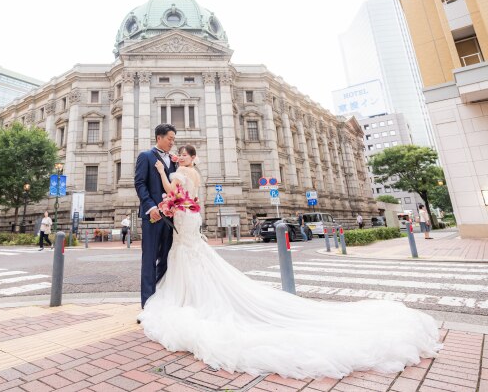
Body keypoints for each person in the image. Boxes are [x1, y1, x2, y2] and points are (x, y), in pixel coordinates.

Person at [138, 144, 441, 380]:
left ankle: (188, 300)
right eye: (176, 152)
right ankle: (191, 297)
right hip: (191, 216)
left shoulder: (180, 173)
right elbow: (186, 197)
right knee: (193, 257)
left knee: (187, 256)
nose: (178, 155)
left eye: (182, 153)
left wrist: (164, 175)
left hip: (184, 216)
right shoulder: (197, 175)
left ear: (190, 158)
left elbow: (171, 191)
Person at [135, 123, 177, 308]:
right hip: (152, 216)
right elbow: (140, 183)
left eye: (173, 140)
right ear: (158, 138)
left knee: (167, 258)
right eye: (169, 139)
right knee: (149, 259)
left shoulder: (174, 161)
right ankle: (147, 304)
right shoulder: (145, 156)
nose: (172, 143)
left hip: (171, 218)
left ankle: (159, 297)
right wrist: (150, 207)